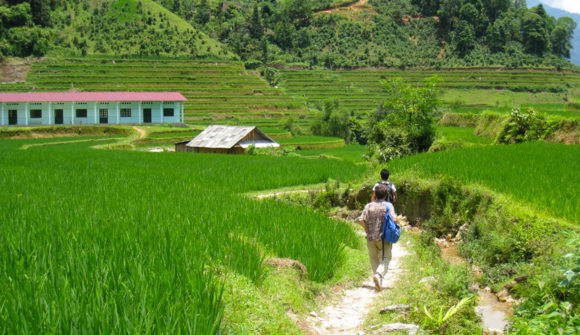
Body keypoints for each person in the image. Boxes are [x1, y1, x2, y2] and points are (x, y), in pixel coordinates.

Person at [359, 183, 397, 291]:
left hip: (370, 238)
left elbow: (361, 219)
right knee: (386, 258)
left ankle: (377, 279)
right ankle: (379, 275)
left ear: (374, 194)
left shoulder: (368, 206)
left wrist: (366, 229)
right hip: (383, 238)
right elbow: (394, 219)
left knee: (374, 258)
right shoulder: (388, 206)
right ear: (385, 195)